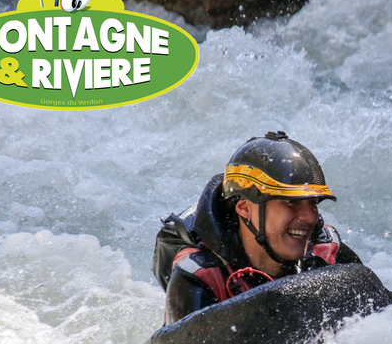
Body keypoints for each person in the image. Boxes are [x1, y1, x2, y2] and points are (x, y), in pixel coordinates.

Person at [155, 131, 362, 324]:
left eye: (313, 203)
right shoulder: (199, 277)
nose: (309, 217)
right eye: (291, 202)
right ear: (245, 207)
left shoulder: (327, 252)